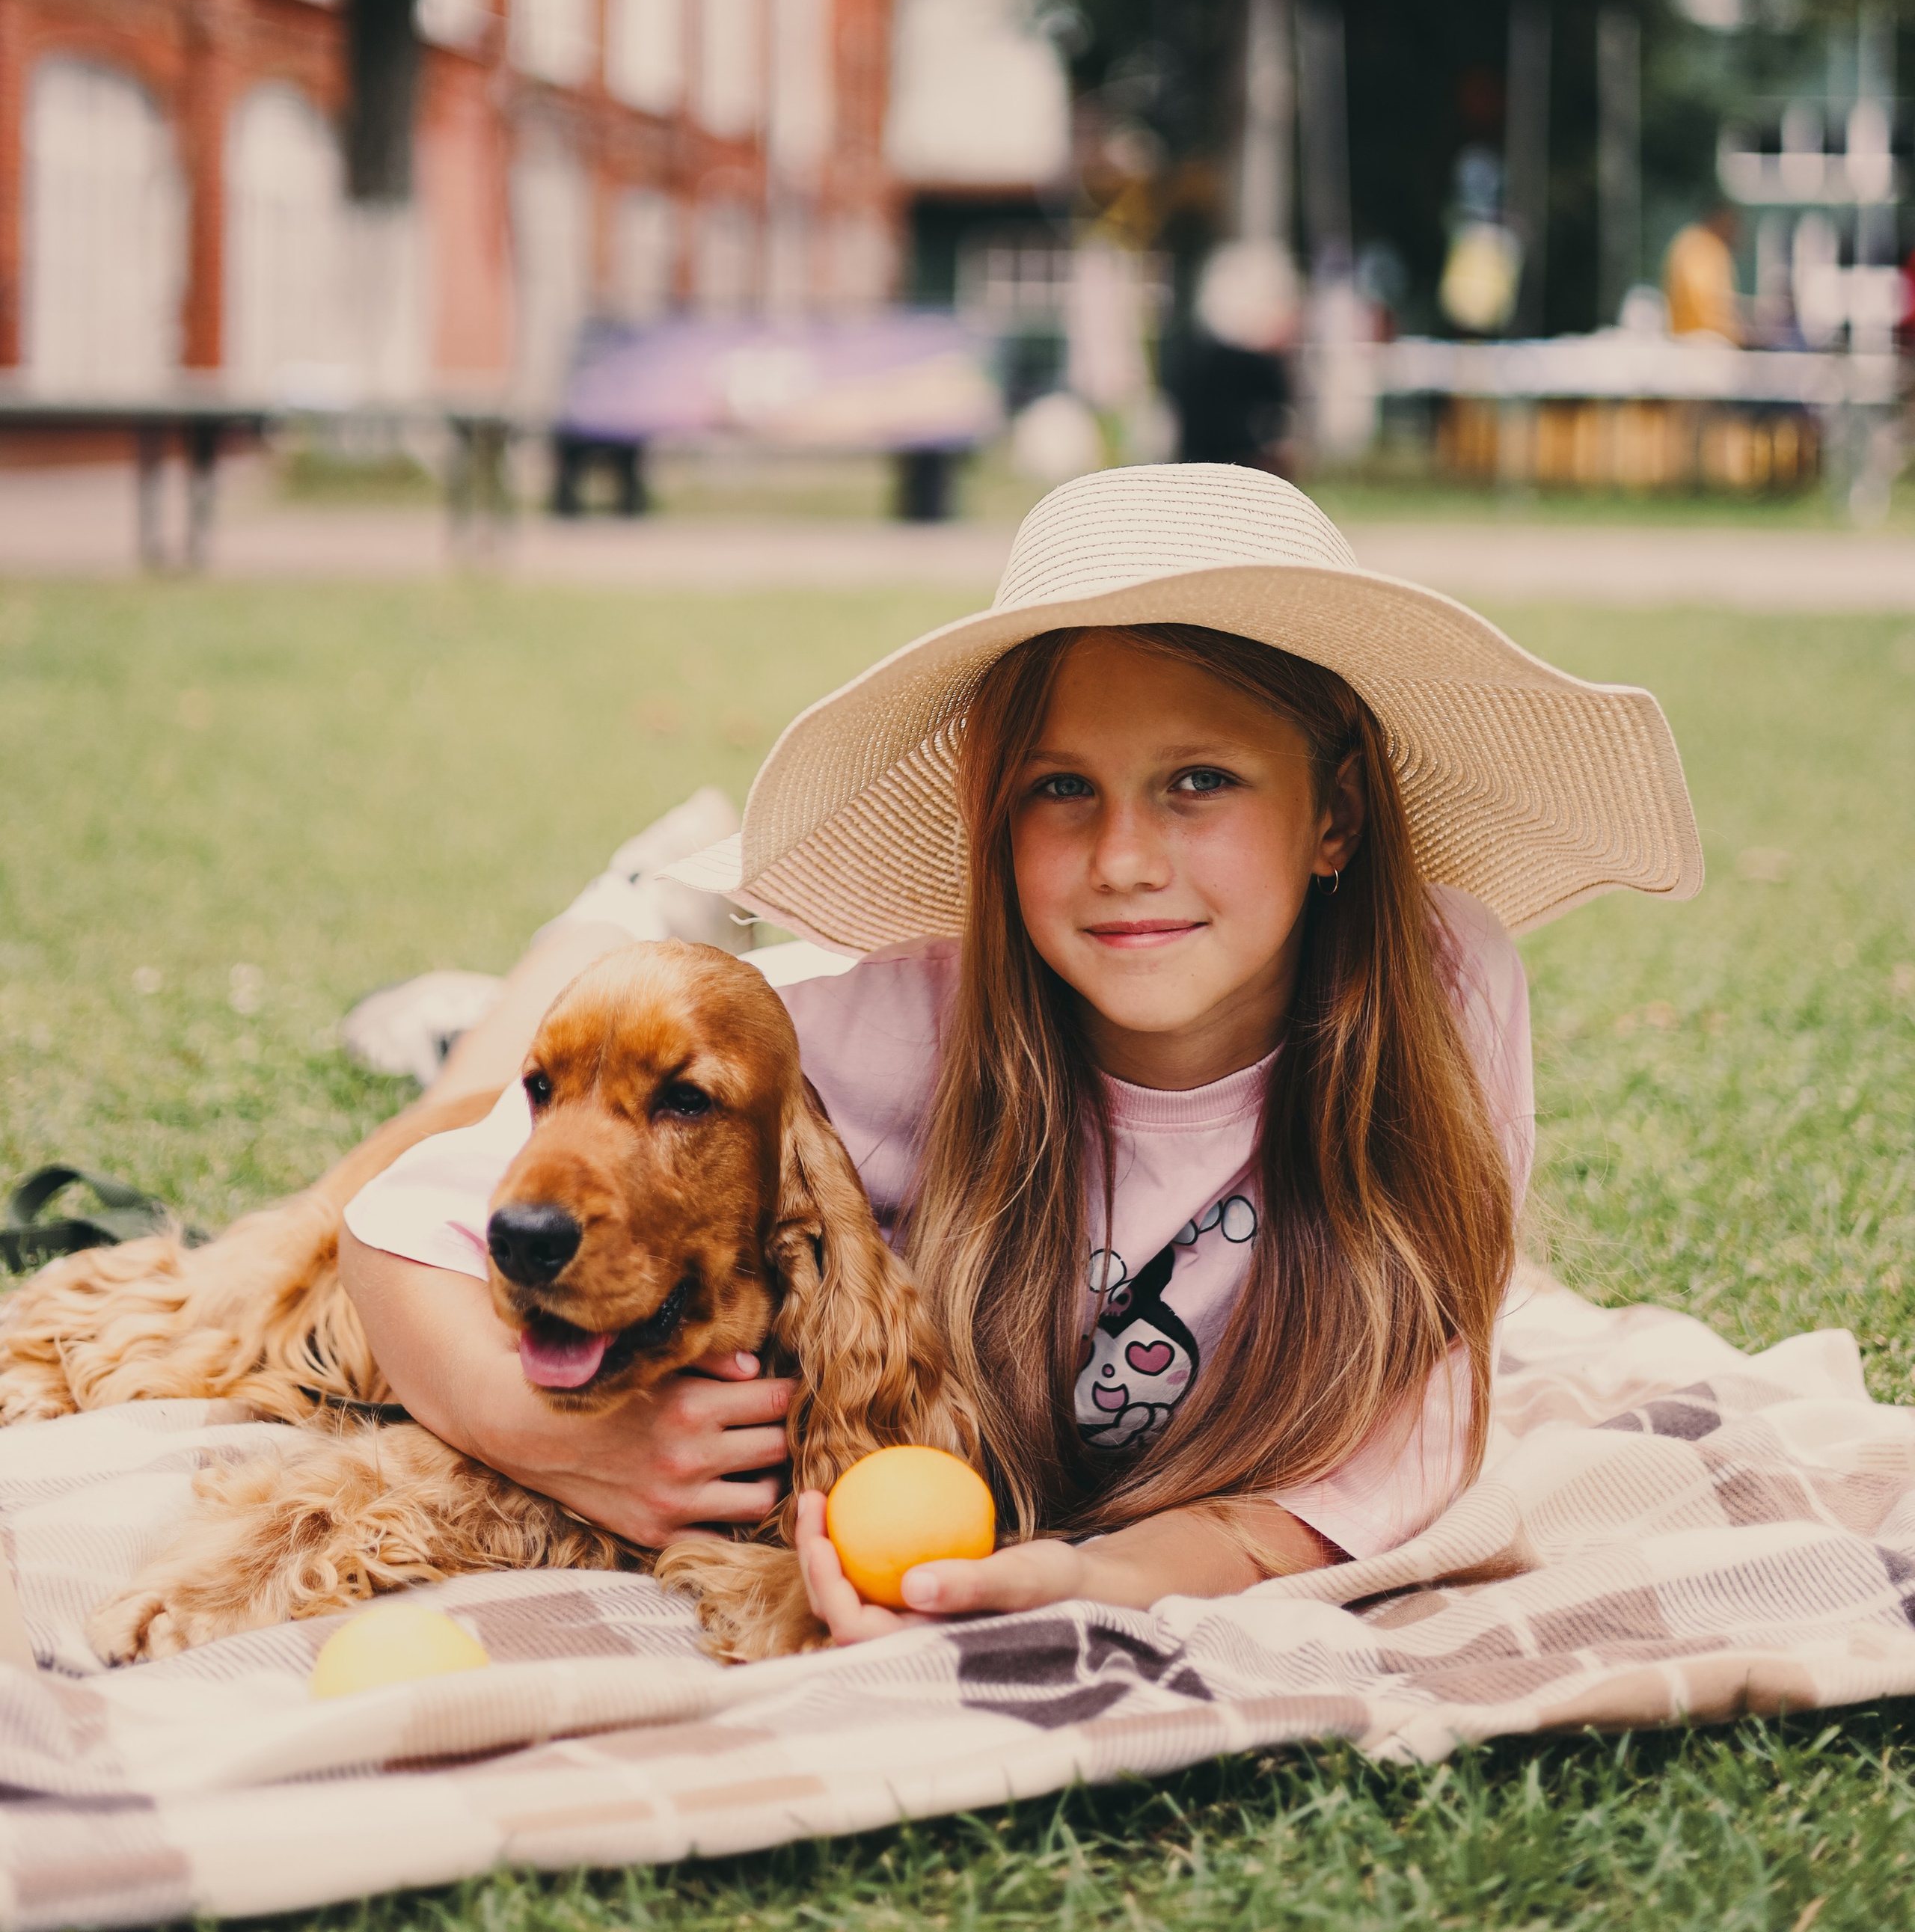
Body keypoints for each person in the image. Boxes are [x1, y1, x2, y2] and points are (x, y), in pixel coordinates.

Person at [340, 465, 1702, 1640]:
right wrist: (545, 1436)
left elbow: (1382, 1469)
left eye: (1200, 780)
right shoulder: (893, 1020)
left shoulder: (1440, 993)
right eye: (1061, 789)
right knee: (490, 1082)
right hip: (689, 1020)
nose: (1124, 860)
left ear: (1335, 813)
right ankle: (618, 913)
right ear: (997, 816)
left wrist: (1100, 1577)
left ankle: (615, 923)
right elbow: (394, 1223)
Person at [1662, 204, 1744, 343]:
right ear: (1721, 218)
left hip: (1687, 337)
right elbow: (1705, 299)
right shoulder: (1705, 246)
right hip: (1701, 339)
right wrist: (1734, 331)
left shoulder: (1691, 240)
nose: (1737, 232)